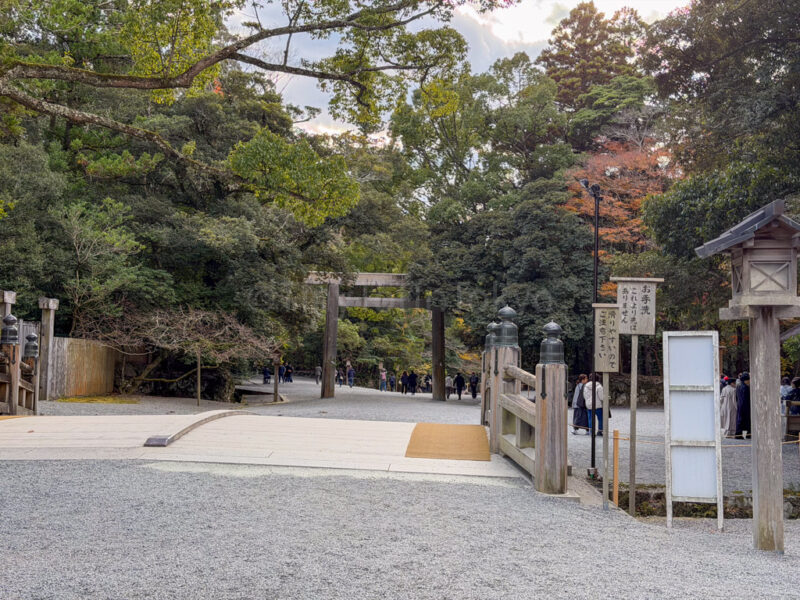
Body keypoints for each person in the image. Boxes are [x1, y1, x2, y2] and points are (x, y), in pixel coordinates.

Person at [736, 372, 751, 439]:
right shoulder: (745, 388)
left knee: (740, 420)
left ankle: (739, 434)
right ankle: (747, 433)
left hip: (740, 405)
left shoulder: (739, 386)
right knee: (746, 420)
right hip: (745, 406)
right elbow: (746, 398)